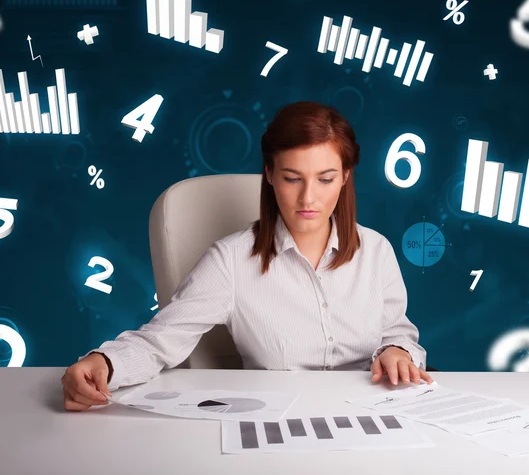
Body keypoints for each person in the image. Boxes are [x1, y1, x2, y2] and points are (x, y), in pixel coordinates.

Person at [61, 101, 433, 412]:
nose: (308, 198)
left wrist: (398, 351)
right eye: (292, 178)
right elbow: (161, 339)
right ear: (269, 175)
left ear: (345, 177)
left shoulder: (376, 251)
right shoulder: (231, 260)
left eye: (325, 178)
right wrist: (105, 363)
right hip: (278, 422)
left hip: (374, 421)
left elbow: (398, 332)